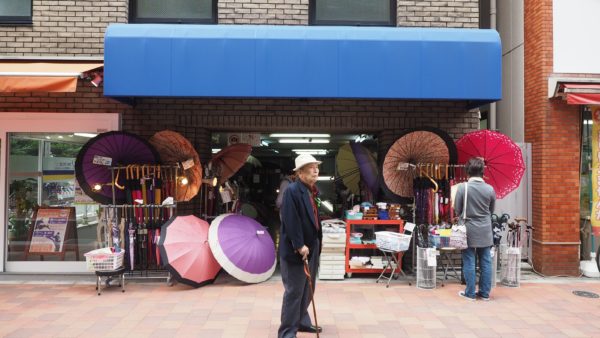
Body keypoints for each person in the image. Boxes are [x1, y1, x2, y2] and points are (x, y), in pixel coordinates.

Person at [278, 154, 323, 338]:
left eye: (316, 167)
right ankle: (287, 331)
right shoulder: (292, 191)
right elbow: (290, 220)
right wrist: (299, 245)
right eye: (311, 167)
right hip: (298, 250)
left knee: (307, 290)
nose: (316, 170)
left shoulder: (311, 190)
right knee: (294, 292)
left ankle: (302, 322)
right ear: (300, 172)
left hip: (311, 247)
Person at [454, 157, 496, 301]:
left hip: (468, 229)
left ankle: (470, 293)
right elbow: (491, 210)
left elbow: (457, 210)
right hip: (485, 228)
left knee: (469, 260)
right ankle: (484, 293)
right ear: (482, 172)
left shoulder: (462, 188)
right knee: (486, 261)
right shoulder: (490, 189)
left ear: (468, 172)